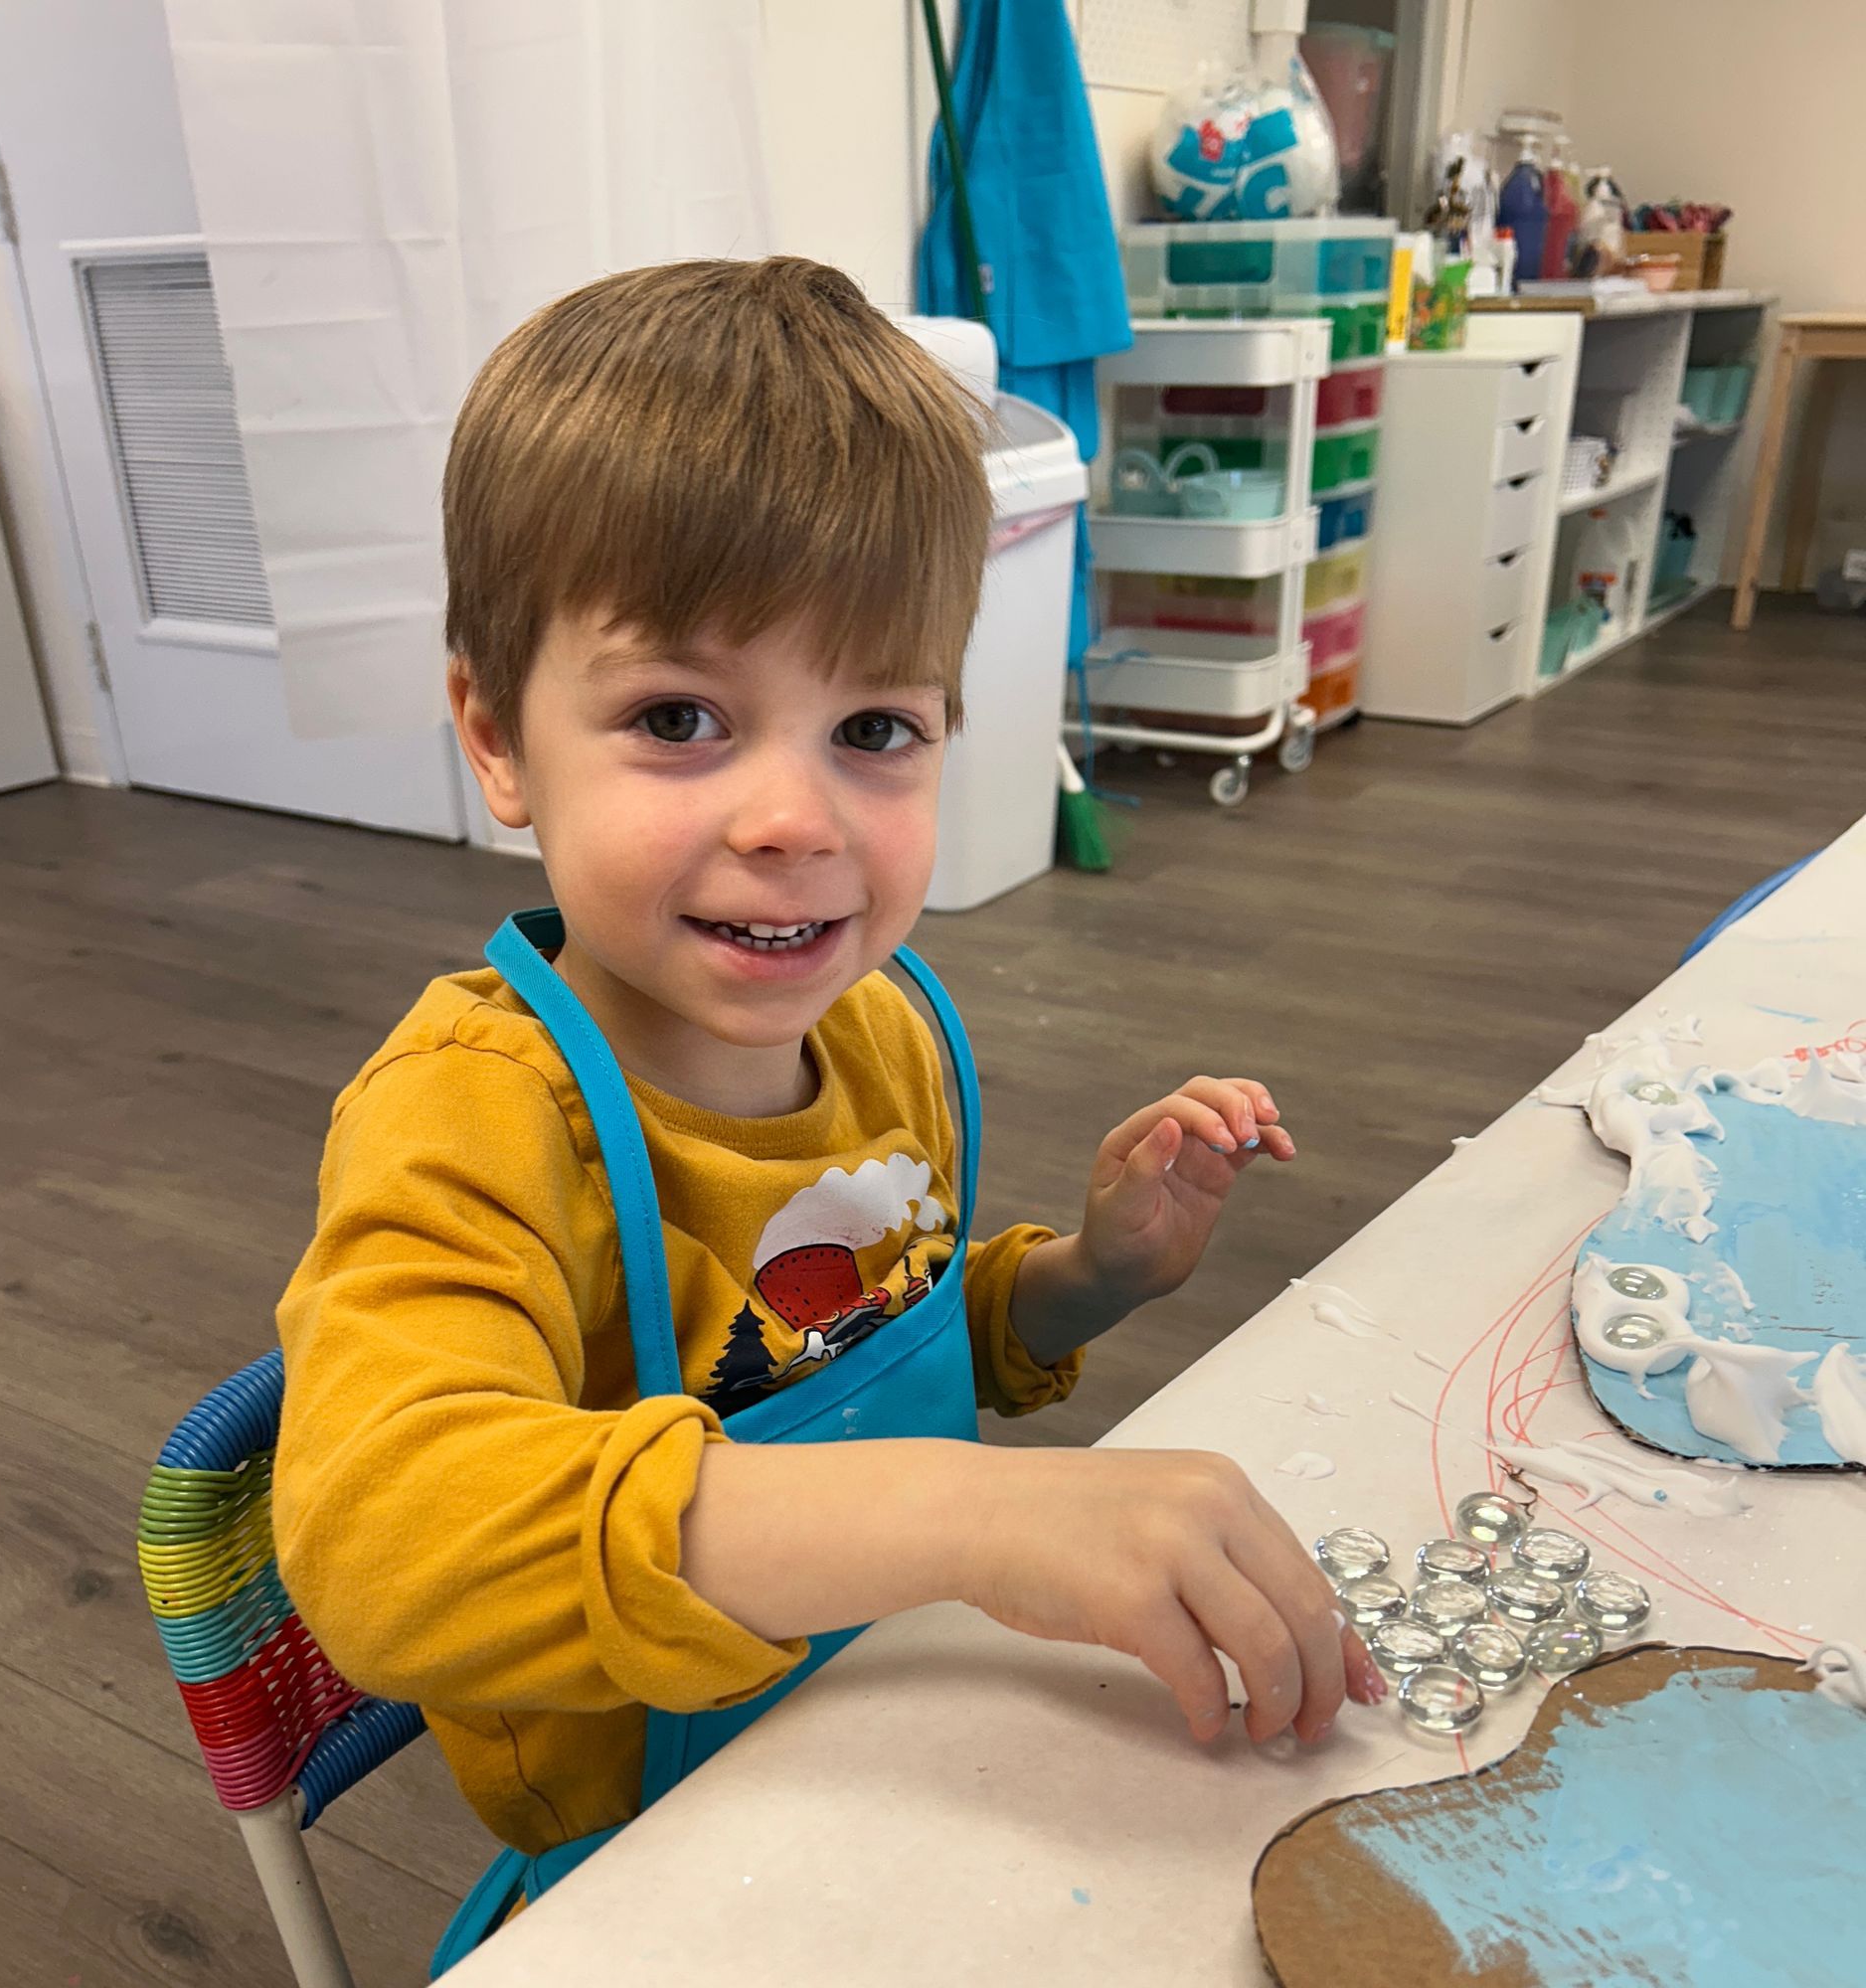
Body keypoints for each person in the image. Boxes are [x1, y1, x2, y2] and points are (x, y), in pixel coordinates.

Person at [273, 255, 1384, 1951]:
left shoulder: (883, 1031)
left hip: (912, 1701)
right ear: (497, 738)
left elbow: (881, 1344)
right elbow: (382, 1549)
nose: (796, 815)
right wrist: (968, 1518)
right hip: (659, 1855)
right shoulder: (472, 1117)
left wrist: (1089, 1276)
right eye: (680, 719)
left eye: (874, 724)